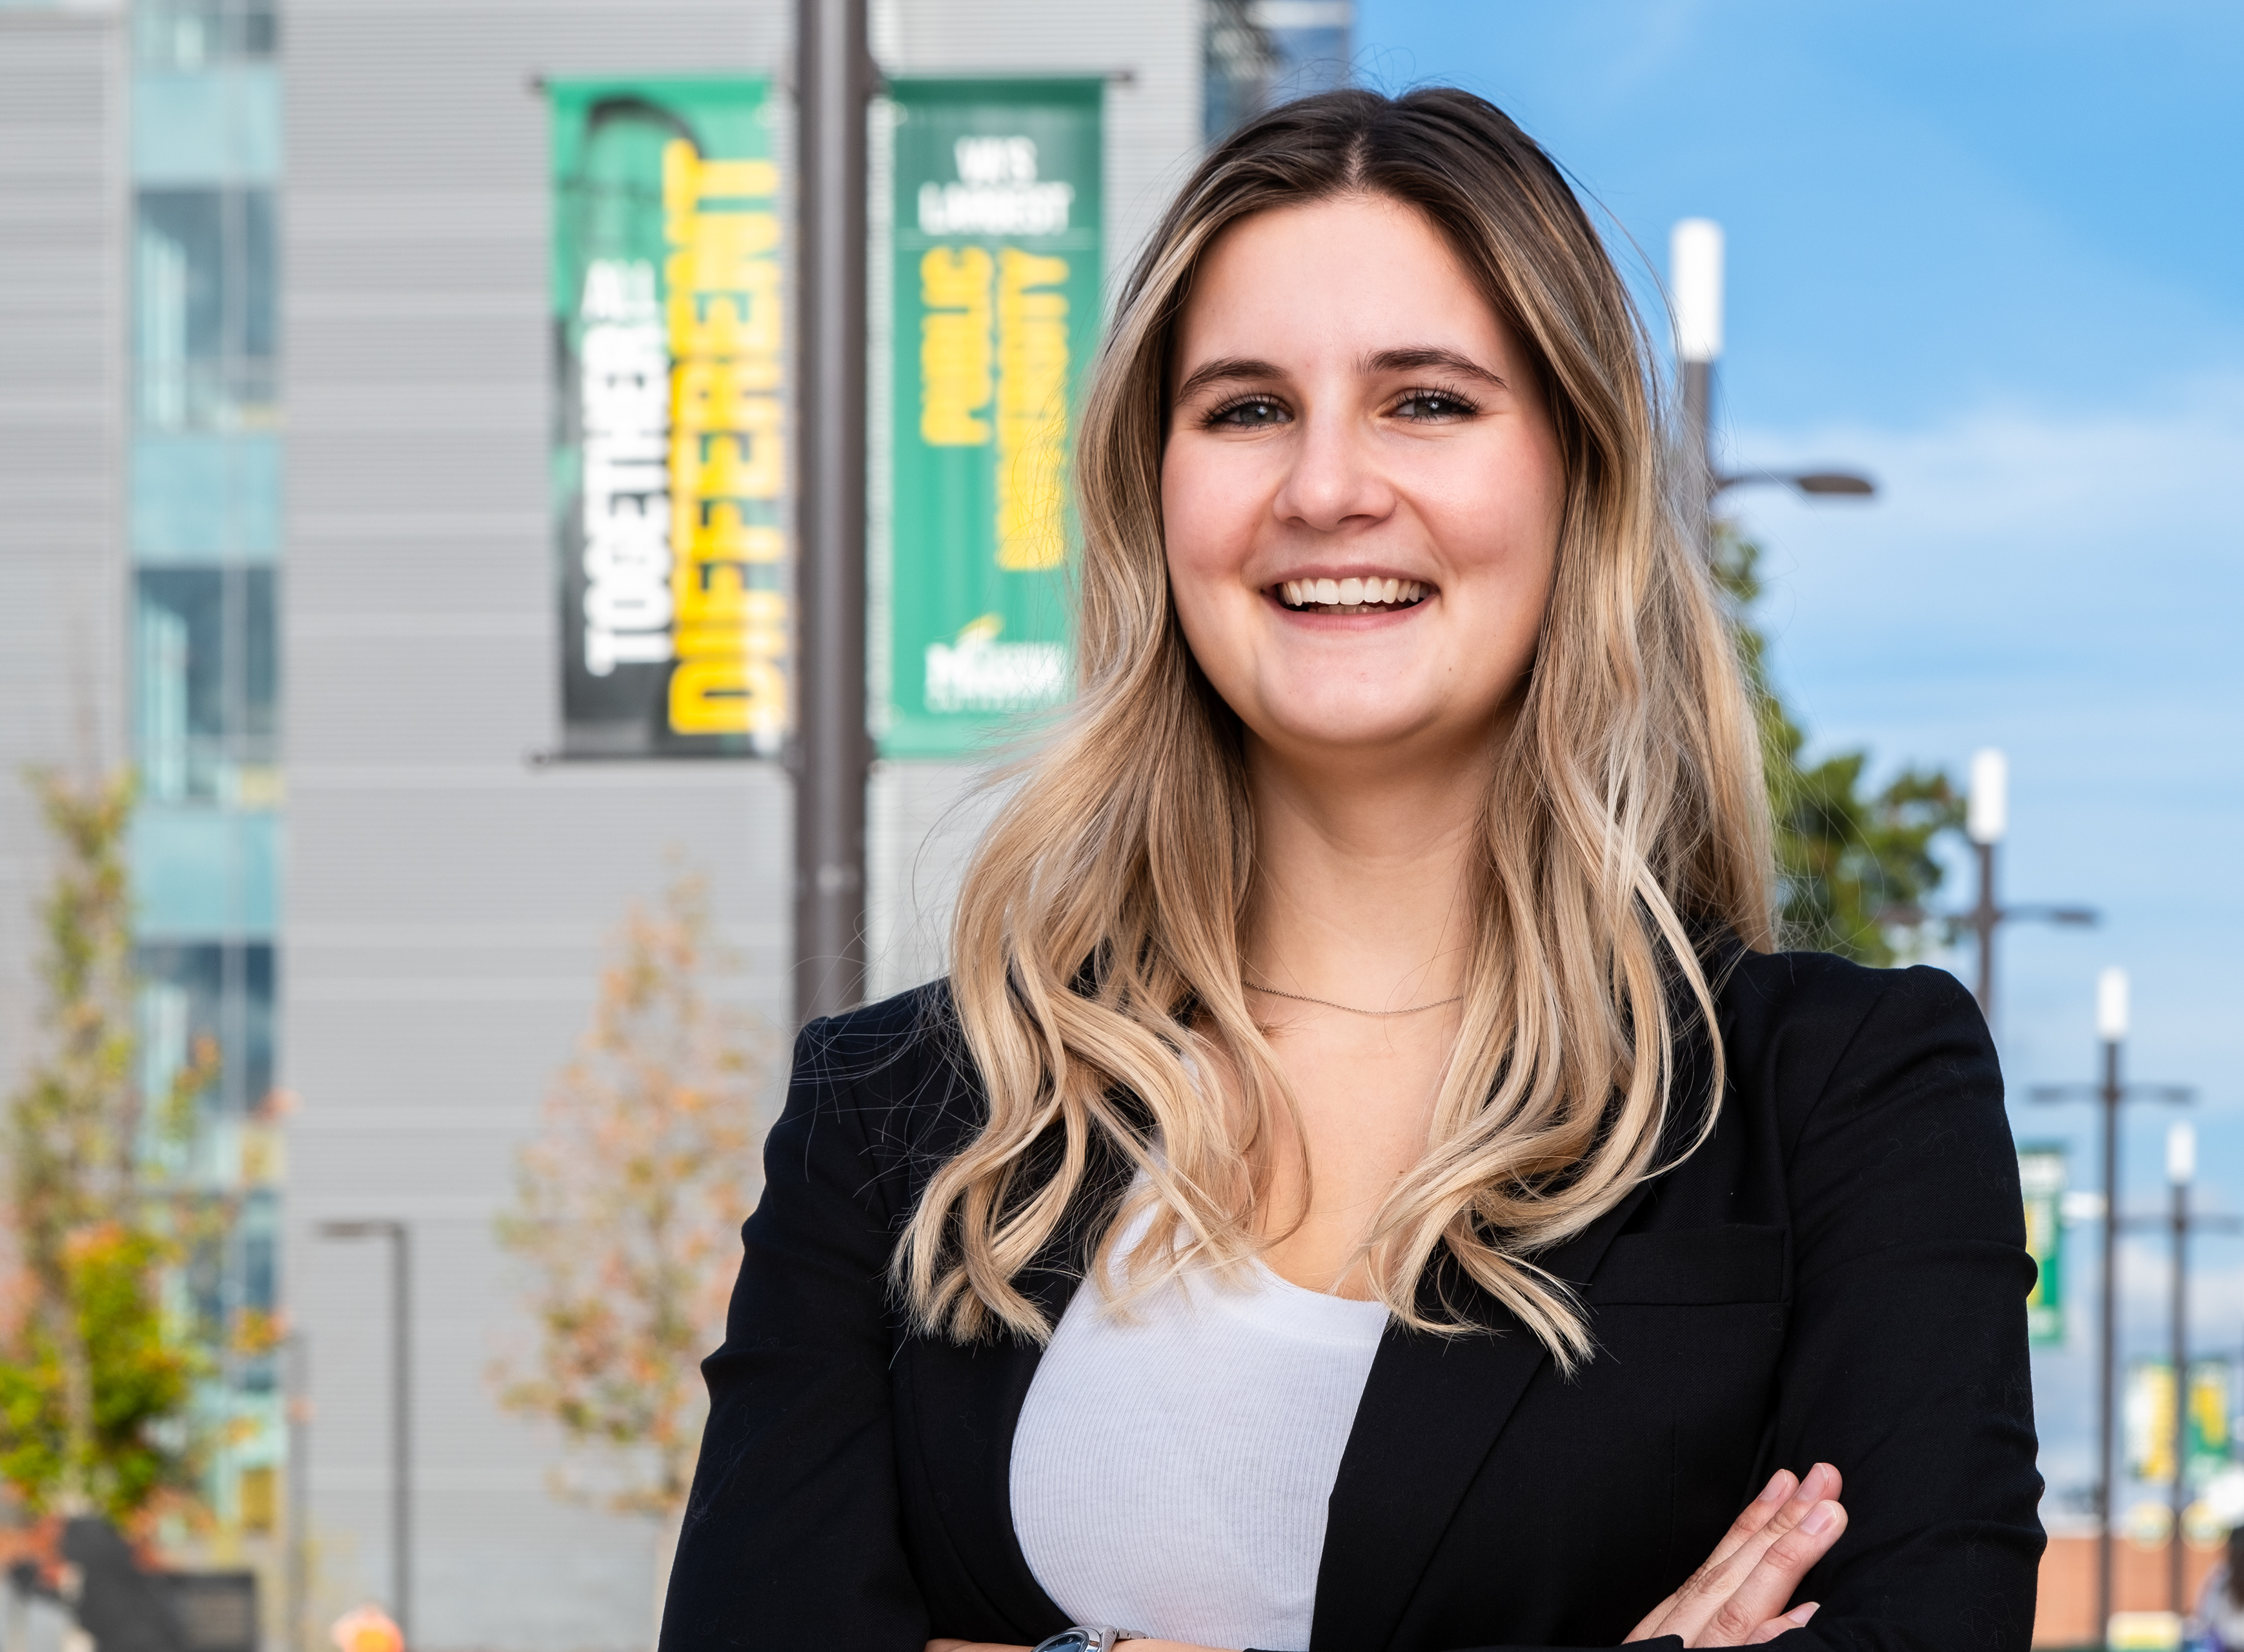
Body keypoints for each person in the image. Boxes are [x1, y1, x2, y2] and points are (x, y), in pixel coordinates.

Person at [659, 86, 2041, 1652]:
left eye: (1428, 402)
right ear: (1153, 495)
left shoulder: (1841, 1096)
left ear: (1576, 476)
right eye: (1245, 407)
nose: (1324, 487)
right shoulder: (906, 1108)